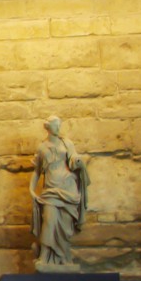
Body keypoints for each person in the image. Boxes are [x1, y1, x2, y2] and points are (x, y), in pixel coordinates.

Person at [28, 115, 90, 270]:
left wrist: (77, 161)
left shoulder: (67, 143)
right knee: (49, 221)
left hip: (68, 189)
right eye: (56, 125)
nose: (58, 128)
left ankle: (63, 258)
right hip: (50, 191)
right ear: (48, 127)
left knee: (64, 226)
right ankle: (44, 256)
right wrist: (31, 189)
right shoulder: (42, 148)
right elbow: (37, 172)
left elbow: (73, 158)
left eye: (59, 125)